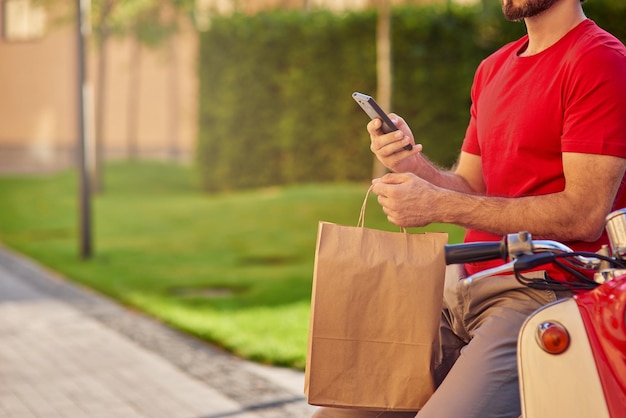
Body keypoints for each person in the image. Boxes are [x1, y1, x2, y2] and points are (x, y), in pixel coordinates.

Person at [312, 0, 626, 417]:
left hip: (541, 292)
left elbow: (583, 215)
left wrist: (437, 202)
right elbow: (470, 188)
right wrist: (411, 164)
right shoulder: (493, 68)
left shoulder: (600, 61)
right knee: (339, 412)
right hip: (459, 289)